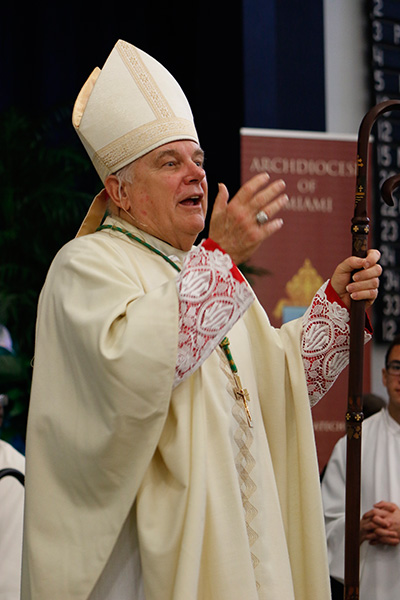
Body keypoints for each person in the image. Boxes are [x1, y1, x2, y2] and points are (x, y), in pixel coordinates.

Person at [21, 40, 382, 600]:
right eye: (171, 163)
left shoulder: (202, 267)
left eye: (199, 161)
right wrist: (221, 257)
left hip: (242, 547)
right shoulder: (87, 265)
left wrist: (335, 303)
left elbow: (279, 384)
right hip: (150, 568)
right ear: (120, 191)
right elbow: (132, 372)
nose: (195, 174)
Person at [321, 335, 400, 600]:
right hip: (372, 584)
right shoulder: (354, 443)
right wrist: (357, 528)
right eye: (397, 367)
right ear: (384, 375)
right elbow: (325, 521)